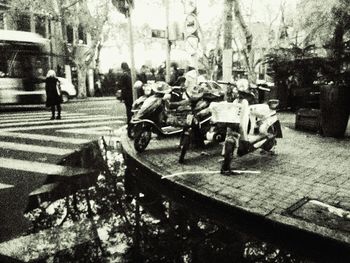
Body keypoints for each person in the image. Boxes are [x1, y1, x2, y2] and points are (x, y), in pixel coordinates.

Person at [119, 62, 133, 133]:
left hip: (127, 95)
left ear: (122, 68)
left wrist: (122, 97)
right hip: (132, 94)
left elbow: (121, 86)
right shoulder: (131, 73)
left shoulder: (124, 75)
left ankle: (130, 124)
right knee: (133, 109)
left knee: (128, 110)